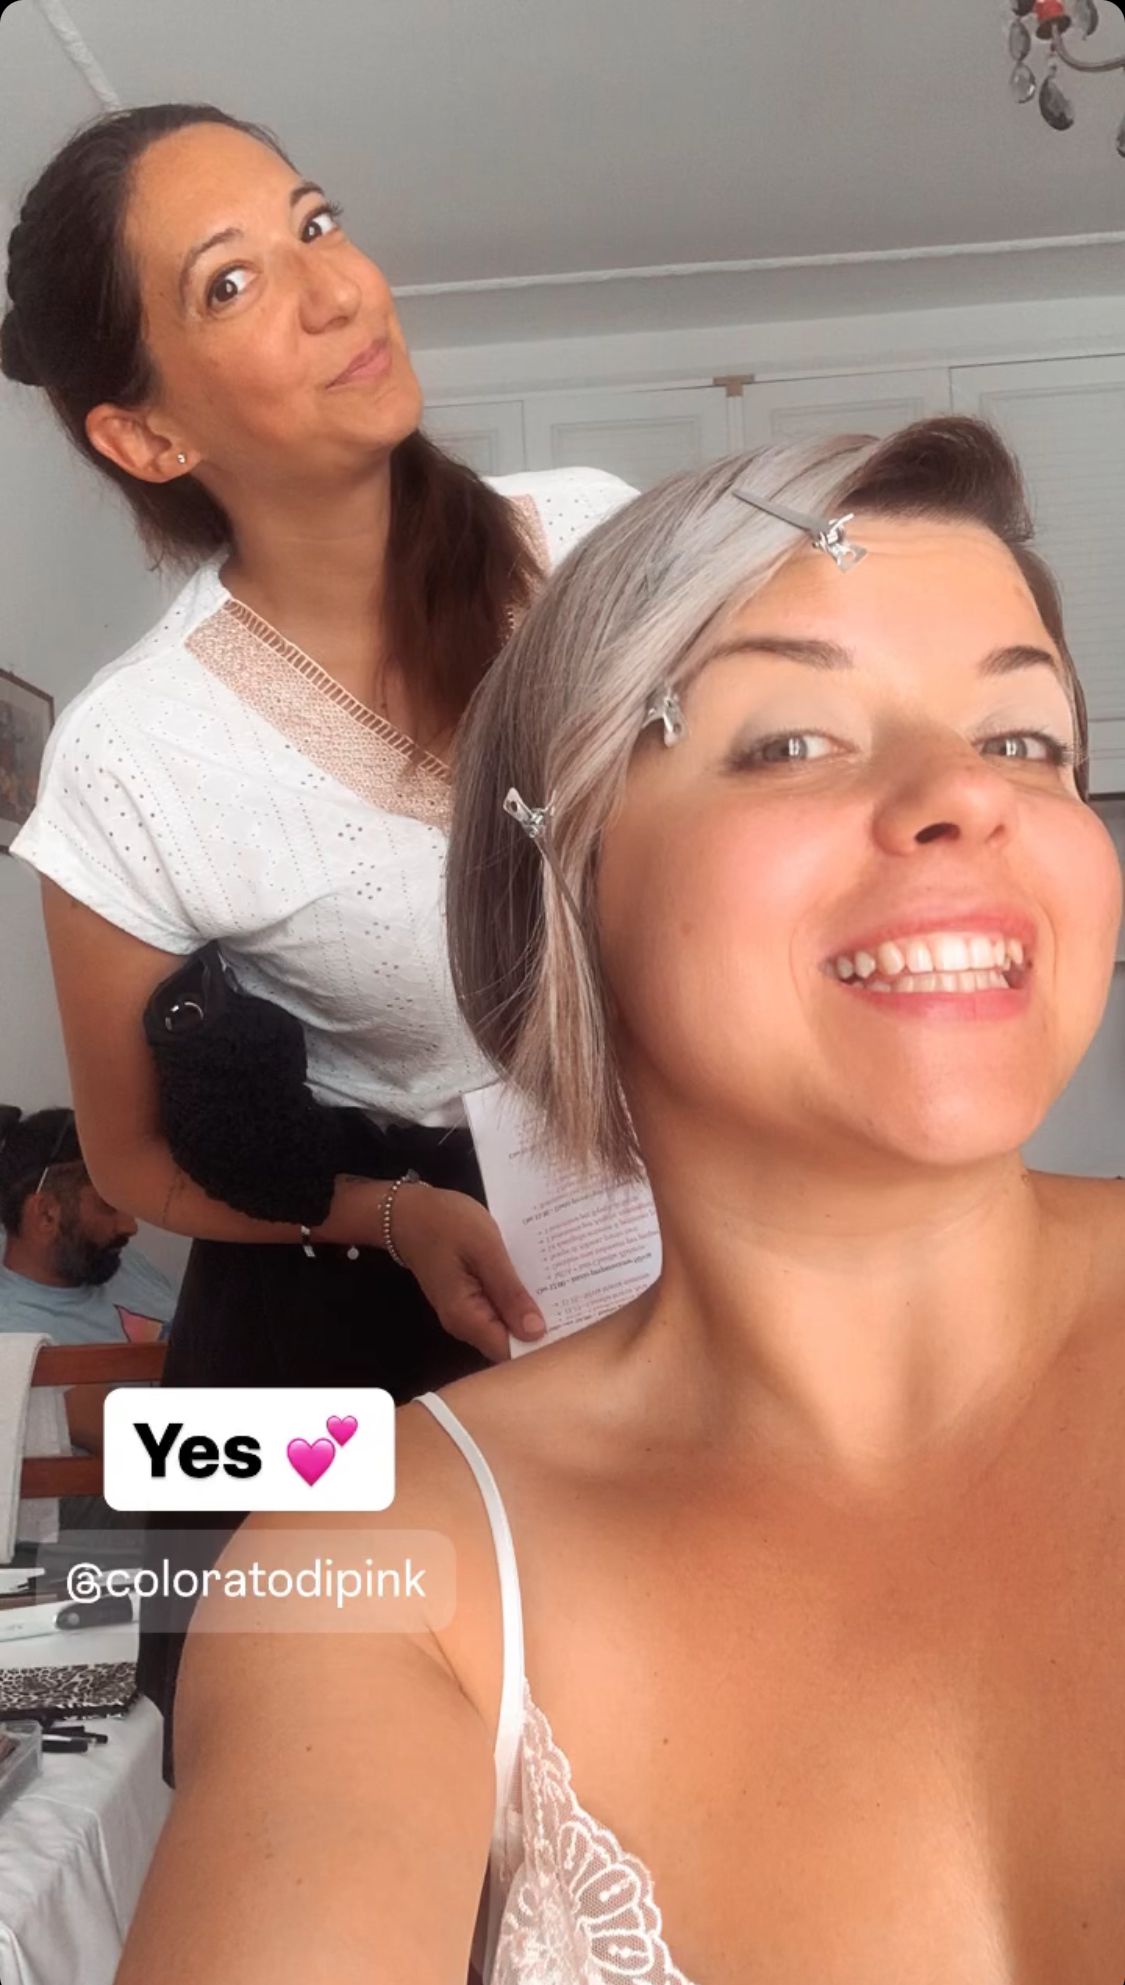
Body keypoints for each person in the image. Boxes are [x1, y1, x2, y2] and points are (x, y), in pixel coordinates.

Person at [117, 418, 1124, 1984]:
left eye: (1024, 740)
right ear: (566, 877)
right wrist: (386, 1216)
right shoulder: (382, 1561)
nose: (964, 797)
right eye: (790, 739)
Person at [0, 102, 634, 1769]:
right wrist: (394, 1215)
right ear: (145, 436)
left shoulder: (593, 543)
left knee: (655, 1739)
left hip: (644, 1238)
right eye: (230, 283)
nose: (338, 287)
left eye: (316, 220)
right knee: (304, 1751)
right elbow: (129, 1165)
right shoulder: (135, 758)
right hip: (335, 1296)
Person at [0, 1103, 173, 1528]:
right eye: (109, 1205)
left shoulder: (112, 1263)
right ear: (46, 1214)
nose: (131, 1225)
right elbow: (159, 1453)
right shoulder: (19, 1339)